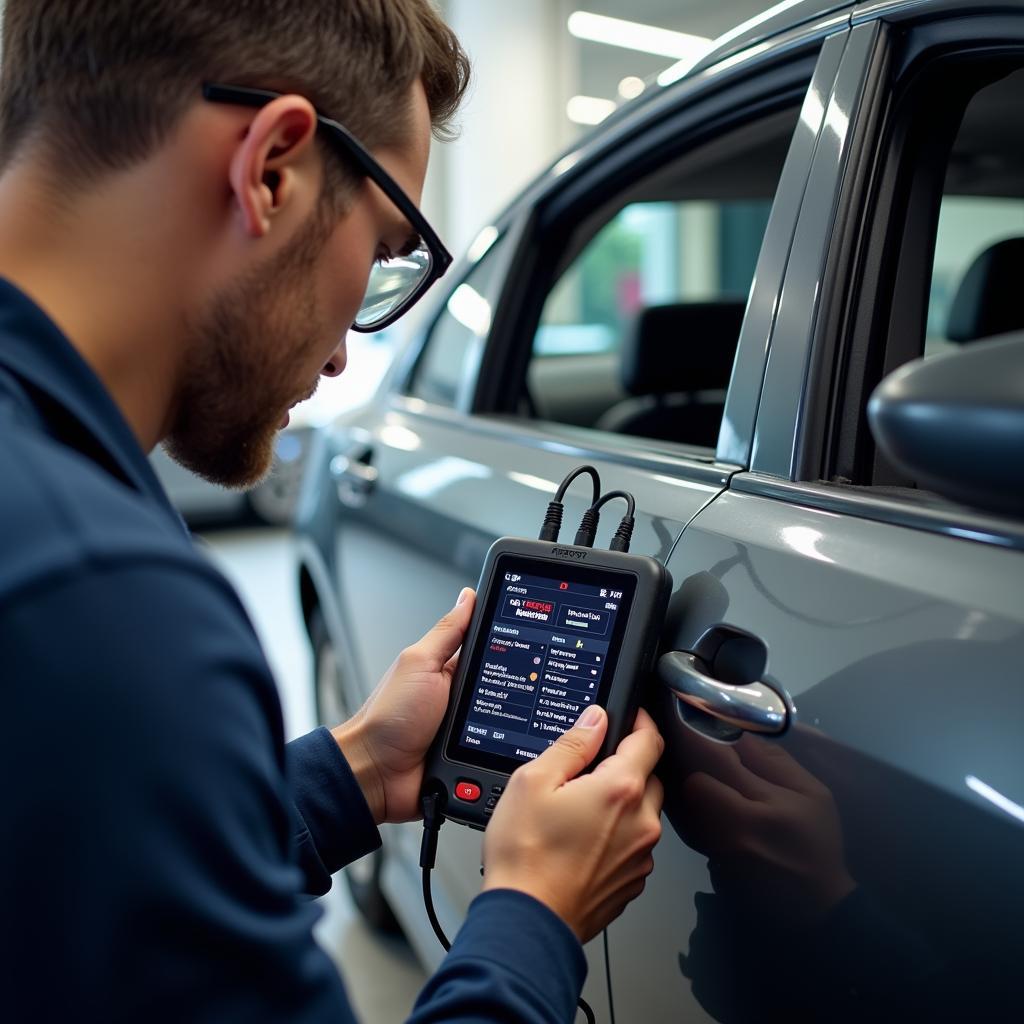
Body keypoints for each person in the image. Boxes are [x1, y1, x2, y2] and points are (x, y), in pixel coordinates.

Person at [0, 3, 665, 1022]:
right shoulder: (101, 603)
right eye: (386, 250)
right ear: (272, 167)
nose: (346, 351)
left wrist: (350, 773)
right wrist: (531, 912)